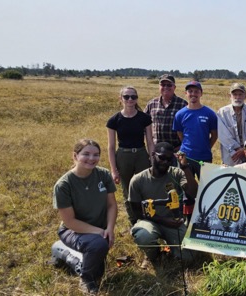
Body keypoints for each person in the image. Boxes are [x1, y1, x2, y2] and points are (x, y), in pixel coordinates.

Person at [52, 139, 117, 294]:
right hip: (73, 230)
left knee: (100, 268)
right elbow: (69, 221)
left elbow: (111, 205)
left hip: (99, 231)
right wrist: (99, 232)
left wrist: (109, 228)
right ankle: (86, 278)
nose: (91, 158)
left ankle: (72, 253)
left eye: (96, 155)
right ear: (75, 156)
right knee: (98, 246)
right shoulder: (64, 185)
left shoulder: (104, 175)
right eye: (86, 154)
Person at [129, 142, 198, 267]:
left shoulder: (176, 173)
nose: (165, 162)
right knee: (144, 236)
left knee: (190, 257)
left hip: (174, 222)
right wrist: (162, 220)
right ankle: (153, 254)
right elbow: (137, 212)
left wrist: (185, 167)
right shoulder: (138, 180)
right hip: (149, 221)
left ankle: (172, 249)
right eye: (161, 157)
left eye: (169, 159)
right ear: (153, 155)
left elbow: (193, 193)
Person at [106, 86, 154, 225]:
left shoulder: (144, 118)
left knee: (145, 186)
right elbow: (111, 146)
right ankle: (133, 220)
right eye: (126, 97)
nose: (130, 99)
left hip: (141, 154)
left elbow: (150, 141)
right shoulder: (114, 120)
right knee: (127, 190)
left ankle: (147, 218)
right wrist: (114, 170)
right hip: (123, 155)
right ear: (120, 99)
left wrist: (152, 159)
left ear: (137, 98)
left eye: (133, 97)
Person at [173, 80, 218, 177]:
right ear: (186, 93)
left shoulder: (210, 113)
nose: (193, 94)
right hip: (186, 157)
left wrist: (205, 147)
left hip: (204, 157)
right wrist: (188, 147)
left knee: (206, 187)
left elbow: (214, 135)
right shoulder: (180, 114)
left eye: (196, 91)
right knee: (187, 187)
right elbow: (180, 134)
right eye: (190, 91)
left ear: (201, 93)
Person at [217, 83, 246, 166]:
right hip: (232, 155)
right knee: (231, 176)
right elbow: (223, 135)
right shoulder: (222, 113)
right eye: (235, 94)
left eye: (240, 94)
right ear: (230, 96)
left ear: (245, 96)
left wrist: (245, 149)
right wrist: (237, 149)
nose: (238, 97)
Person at [144, 74, 188, 152]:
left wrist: (182, 147)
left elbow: (189, 129)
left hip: (177, 151)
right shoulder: (151, 104)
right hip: (156, 151)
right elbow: (144, 126)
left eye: (169, 85)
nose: (166, 87)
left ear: (174, 87)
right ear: (159, 87)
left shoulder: (183, 105)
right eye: (163, 85)